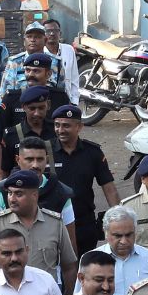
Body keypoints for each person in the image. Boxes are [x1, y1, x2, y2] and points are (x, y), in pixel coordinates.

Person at [0, 169, 77, 291]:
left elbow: (69, 266)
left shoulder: (55, 223)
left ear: (34, 195)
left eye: (19, 194)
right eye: (10, 193)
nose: (12, 199)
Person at [50, 104, 118, 252]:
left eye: (66, 126)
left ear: (79, 127)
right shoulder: (45, 151)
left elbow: (109, 188)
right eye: (57, 125)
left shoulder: (93, 152)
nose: (60, 130)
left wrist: (119, 217)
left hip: (84, 224)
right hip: (54, 223)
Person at [79, 206, 148, 295]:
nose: (124, 241)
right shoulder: (90, 260)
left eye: (128, 235)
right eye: (118, 236)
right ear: (105, 233)